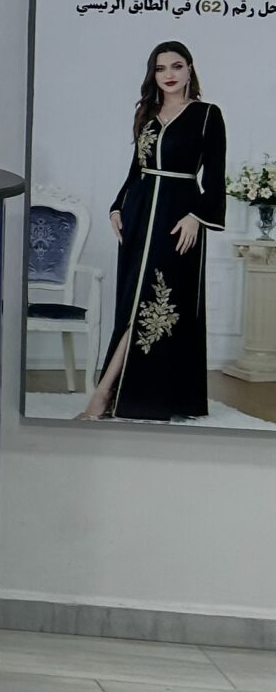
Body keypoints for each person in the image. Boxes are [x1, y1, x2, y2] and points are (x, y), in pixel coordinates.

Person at [80, 42, 226, 422]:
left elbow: (215, 179)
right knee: (132, 302)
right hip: (139, 215)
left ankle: (103, 395)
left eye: (177, 66)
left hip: (178, 221)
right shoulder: (147, 114)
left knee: (156, 303)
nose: (169, 75)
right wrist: (117, 206)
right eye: (161, 69)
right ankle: (115, 394)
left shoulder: (207, 116)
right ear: (153, 74)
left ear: (190, 68)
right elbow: (136, 169)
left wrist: (196, 217)